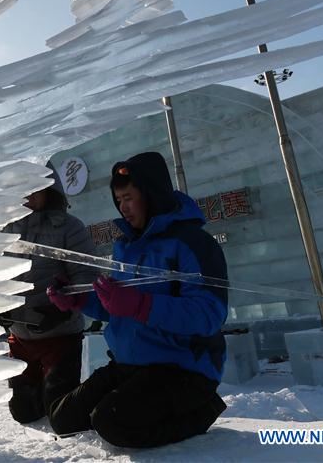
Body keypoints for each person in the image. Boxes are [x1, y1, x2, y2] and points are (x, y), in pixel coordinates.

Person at [46, 152, 228, 448]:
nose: (123, 207)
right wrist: (79, 300)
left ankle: (203, 408)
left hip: (180, 367)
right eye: (118, 200)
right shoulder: (126, 247)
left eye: (129, 197)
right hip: (129, 363)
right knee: (63, 418)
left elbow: (209, 313)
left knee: (112, 423)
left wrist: (140, 305)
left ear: (152, 194)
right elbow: (118, 308)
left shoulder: (193, 243)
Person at [0, 165, 98, 424]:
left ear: (49, 188)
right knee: (24, 413)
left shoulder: (69, 227)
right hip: (20, 336)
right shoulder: (5, 231)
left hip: (60, 335)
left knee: (60, 411)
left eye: (35, 188)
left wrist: (62, 311)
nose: (28, 196)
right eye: (21, 189)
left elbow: (86, 276)